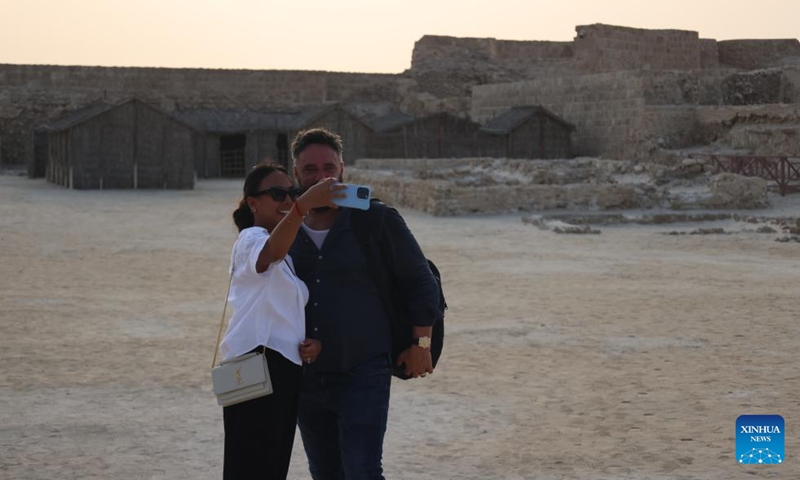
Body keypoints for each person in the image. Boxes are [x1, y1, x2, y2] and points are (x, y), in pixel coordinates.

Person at [288, 128, 443, 480]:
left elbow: (422, 282)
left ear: (343, 170)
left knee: (362, 471)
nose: (321, 176)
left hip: (363, 371)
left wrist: (421, 344)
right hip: (305, 377)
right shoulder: (285, 227)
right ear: (296, 173)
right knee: (325, 472)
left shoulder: (375, 219)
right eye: (310, 169)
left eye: (329, 167)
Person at [220, 162, 345, 480]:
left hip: (278, 366)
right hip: (255, 361)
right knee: (250, 464)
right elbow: (269, 254)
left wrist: (307, 344)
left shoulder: (285, 255)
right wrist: (303, 205)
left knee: (268, 464)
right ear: (253, 203)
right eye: (277, 193)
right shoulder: (251, 238)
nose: (288, 200)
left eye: (292, 192)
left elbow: (281, 308)